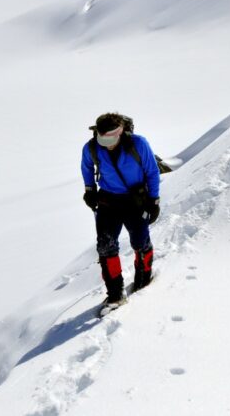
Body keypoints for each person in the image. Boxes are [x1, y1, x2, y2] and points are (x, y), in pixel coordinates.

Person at [81, 112, 162, 311]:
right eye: (103, 139)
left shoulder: (138, 144)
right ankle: (115, 294)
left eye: (110, 139)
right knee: (105, 247)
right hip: (108, 200)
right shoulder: (91, 147)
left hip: (136, 200)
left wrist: (154, 200)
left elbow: (152, 171)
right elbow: (87, 167)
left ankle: (143, 279)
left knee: (140, 242)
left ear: (120, 133)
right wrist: (90, 190)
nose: (106, 144)